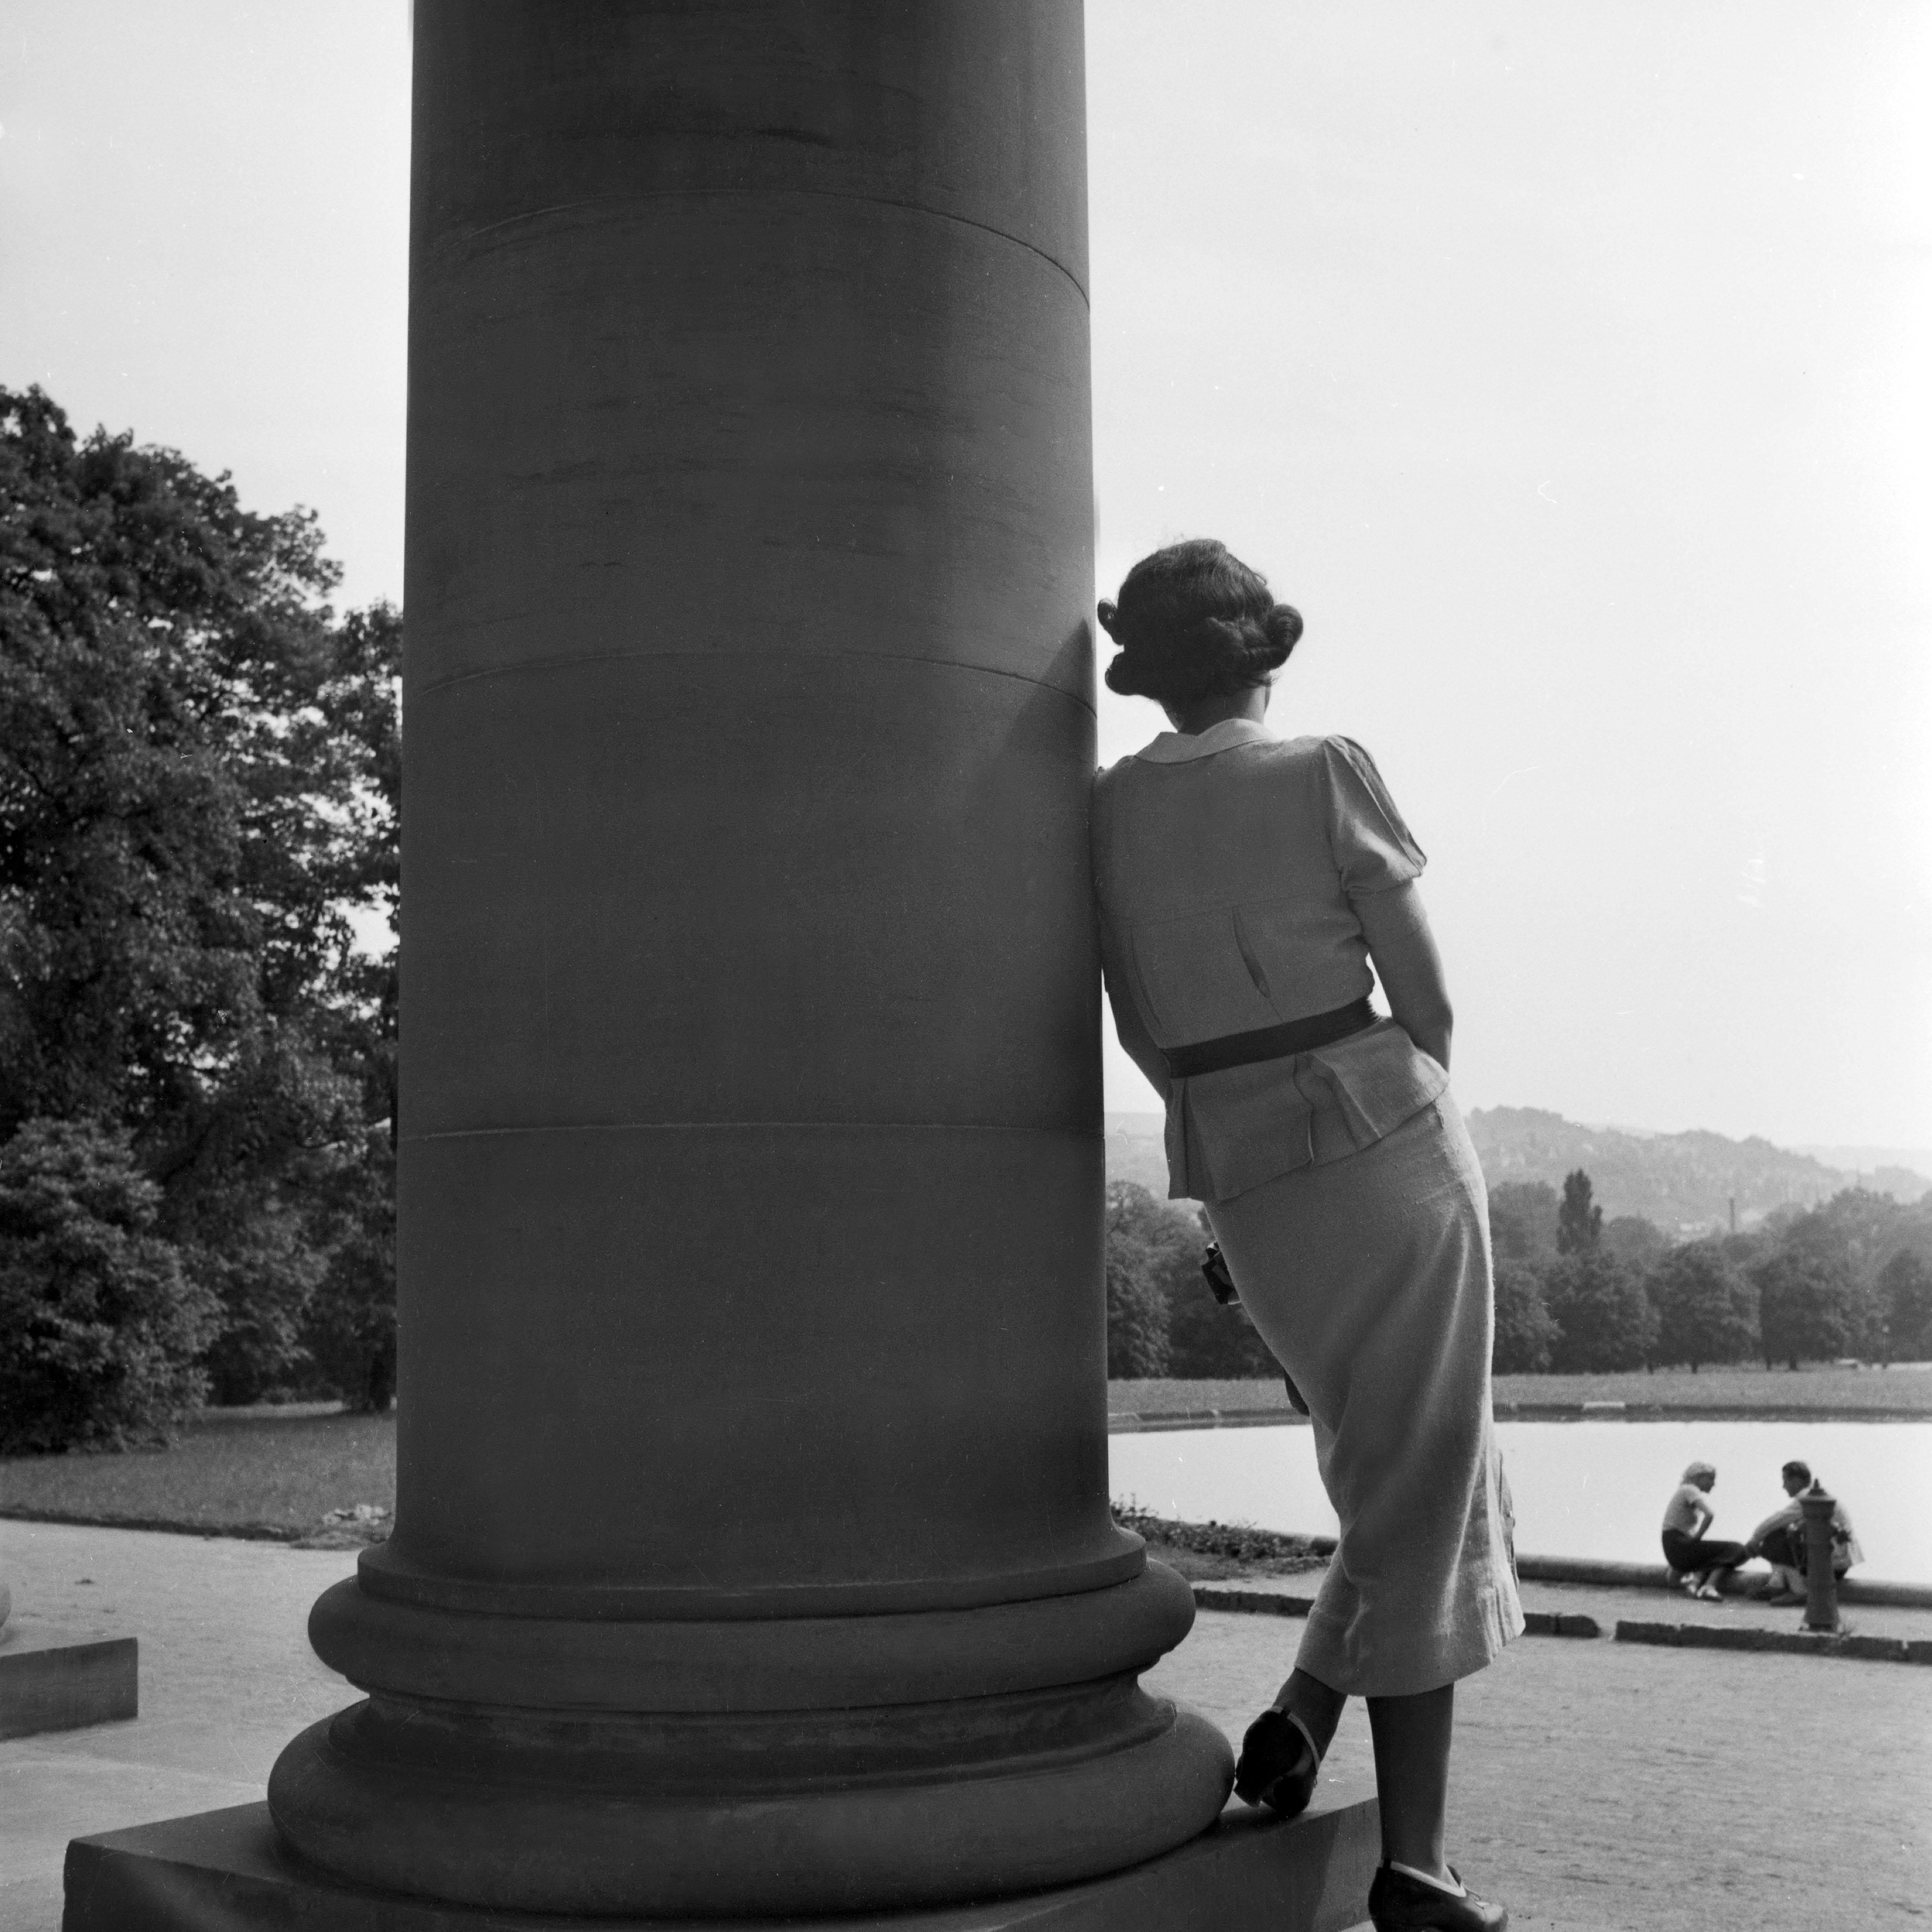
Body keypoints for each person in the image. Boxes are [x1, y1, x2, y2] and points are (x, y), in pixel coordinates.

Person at [1091, 540, 1522, 1932]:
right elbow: (1432, 1007)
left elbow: (1146, 1033)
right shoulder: (1324, 769)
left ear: (1151, 674)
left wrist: (1230, 1158)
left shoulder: (1104, 815)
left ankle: (1303, 1708)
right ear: (1265, 652)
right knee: (1426, 1477)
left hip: (1245, 1178)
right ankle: (1418, 1869)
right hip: (1387, 1146)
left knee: (1400, 1464)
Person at [1743, 1460, 1864, 1605]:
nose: (1784, 1486)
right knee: (1780, 1534)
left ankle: (1799, 1591)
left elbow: (1778, 1519)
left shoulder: (1807, 1496)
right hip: (1839, 1562)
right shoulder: (1817, 1494)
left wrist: (1755, 1538)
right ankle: (1777, 1584)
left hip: (1830, 1563)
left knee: (1773, 1540)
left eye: (1786, 1480)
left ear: (1796, 1480)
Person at [1659, 1462, 1747, 1600]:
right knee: (1737, 1549)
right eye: (1711, 1479)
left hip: (1673, 1548)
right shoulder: (1690, 1489)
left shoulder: (1683, 1491)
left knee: (1717, 1555)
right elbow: (1709, 1515)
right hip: (1679, 1546)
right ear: (1698, 1477)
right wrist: (1698, 1538)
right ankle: (1709, 1586)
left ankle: (1696, 1582)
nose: (1713, 1484)